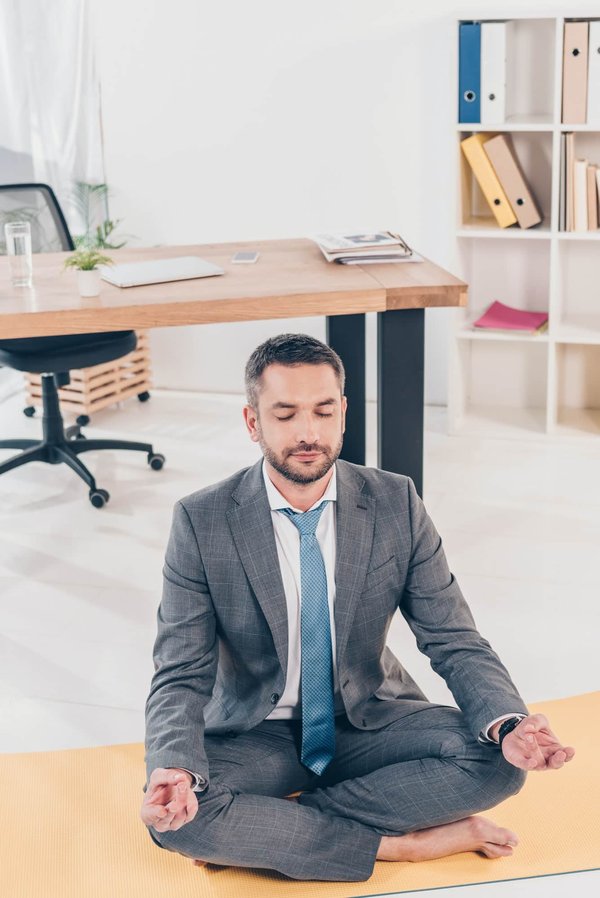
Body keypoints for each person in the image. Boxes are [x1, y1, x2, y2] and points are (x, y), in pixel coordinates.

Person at [141, 333, 575, 882]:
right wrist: (175, 769)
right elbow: (180, 672)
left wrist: (510, 723)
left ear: (344, 413)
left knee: (499, 765)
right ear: (252, 423)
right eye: (285, 414)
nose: (308, 433)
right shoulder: (202, 520)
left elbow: (453, 637)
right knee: (174, 817)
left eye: (324, 412)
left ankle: (274, 832)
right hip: (256, 733)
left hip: (364, 719)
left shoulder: (396, 502)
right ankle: (401, 845)